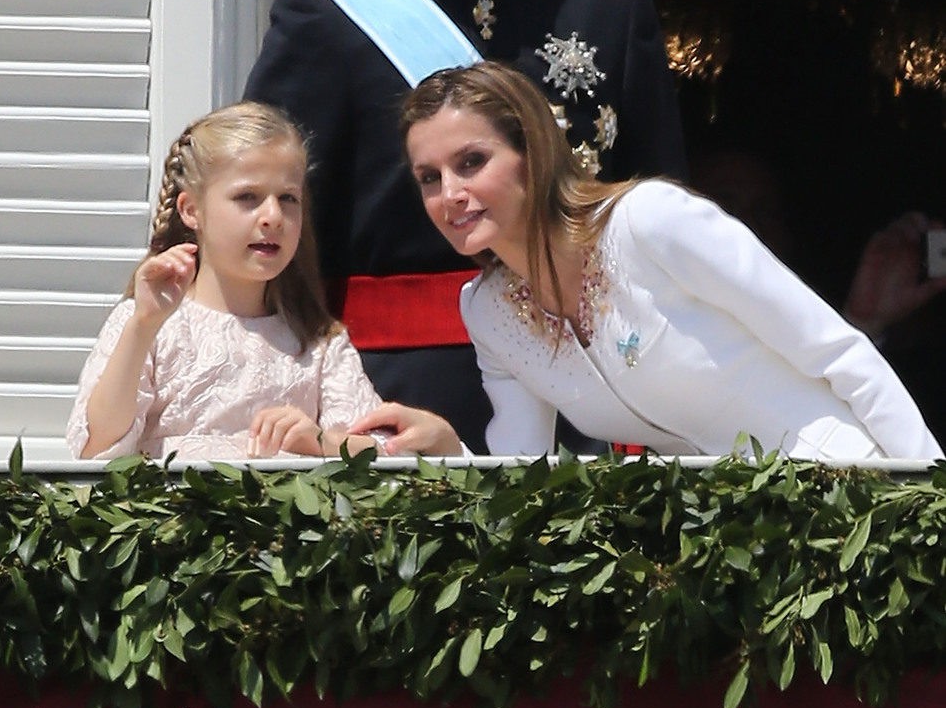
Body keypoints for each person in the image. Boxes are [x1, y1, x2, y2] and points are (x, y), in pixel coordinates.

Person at [244, 0, 686, 452]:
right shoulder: (327, 16)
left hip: (584, 394)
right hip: (390, 400)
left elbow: (659, 222)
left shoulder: (610, 4)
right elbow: (268, 232)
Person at [389, 62, 942, 461]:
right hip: (728, 556)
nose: (450, 193)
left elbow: (839, 351)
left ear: (531, 154)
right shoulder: (488, 310)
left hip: (853, 498)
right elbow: (521, 473)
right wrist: (447, 450)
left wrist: (924, 506)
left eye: (471, 162)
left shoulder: (650, 221)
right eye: (429, 178)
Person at [66, 103, 461, 462]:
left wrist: (318, 440)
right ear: (191, 209)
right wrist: (144, 324)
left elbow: (380, 451)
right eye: (248, 198)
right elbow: (97, 447)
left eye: (288, 198)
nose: (272, 216)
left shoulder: (317, 340)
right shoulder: (148, 324)